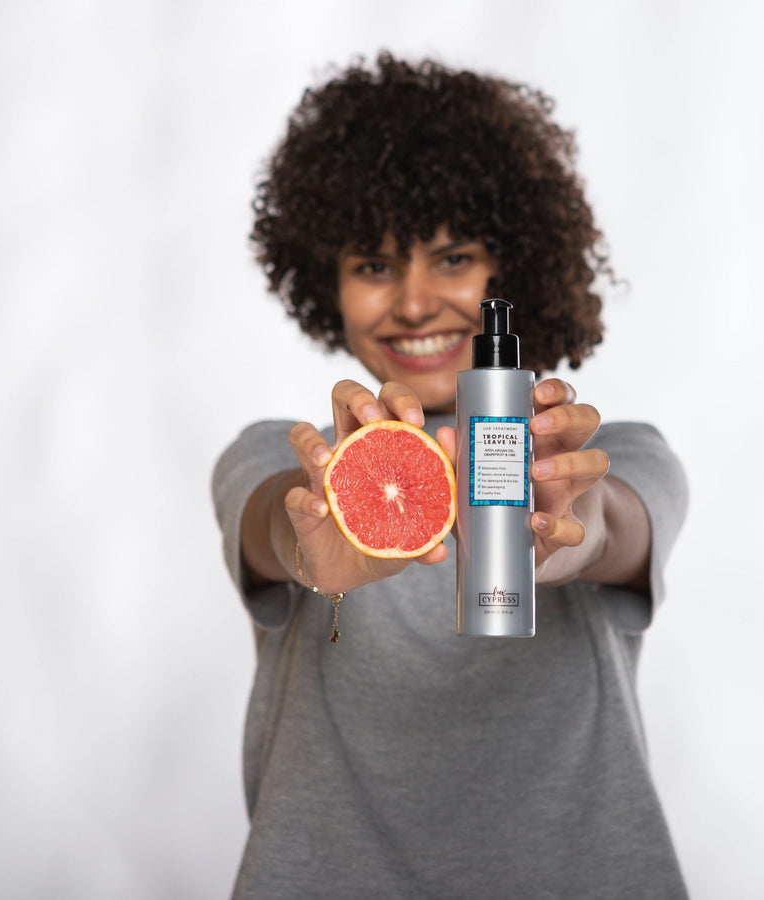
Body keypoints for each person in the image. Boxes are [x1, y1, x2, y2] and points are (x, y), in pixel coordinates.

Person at [212, 52, 689, 899]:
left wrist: (558, 530)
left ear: (518, 268)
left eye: (454, 256)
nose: (415, 302)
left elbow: (611, 530)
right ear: (325, 279)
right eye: (374, 265)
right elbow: (274, 526)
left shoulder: (613, 451)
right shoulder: (285, 457)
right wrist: (312, 535)